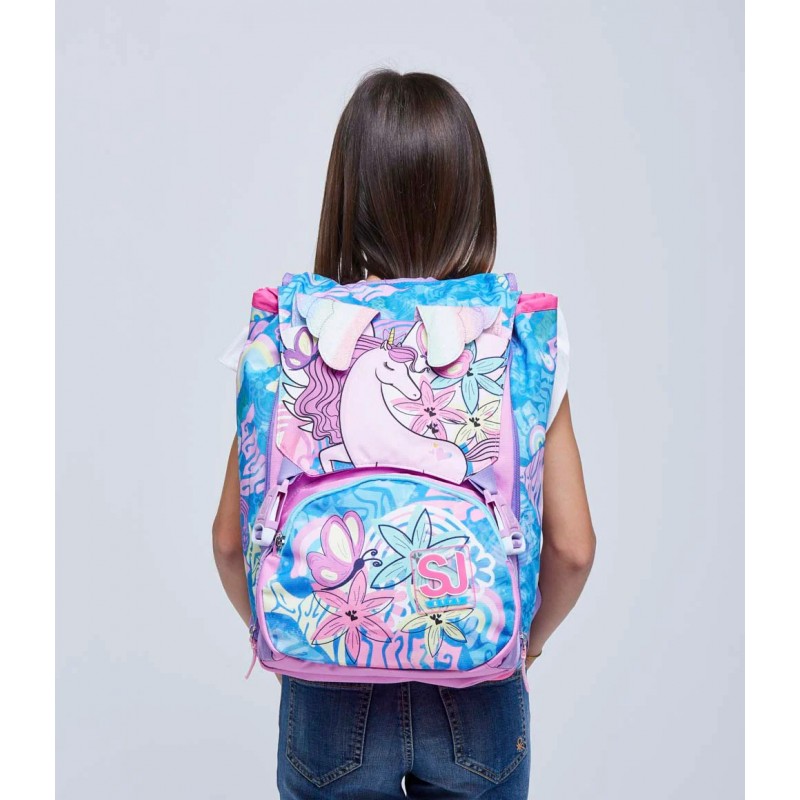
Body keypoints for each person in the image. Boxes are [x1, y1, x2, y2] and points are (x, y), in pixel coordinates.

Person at [213, 69, 596, 800]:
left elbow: (231, 543)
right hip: (478, 686)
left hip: (326, 687)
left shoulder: (287, 335)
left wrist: (284, 634)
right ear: (472, 195)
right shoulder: (520, 340)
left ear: (348, 195)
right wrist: (527, 644)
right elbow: (573, 551)